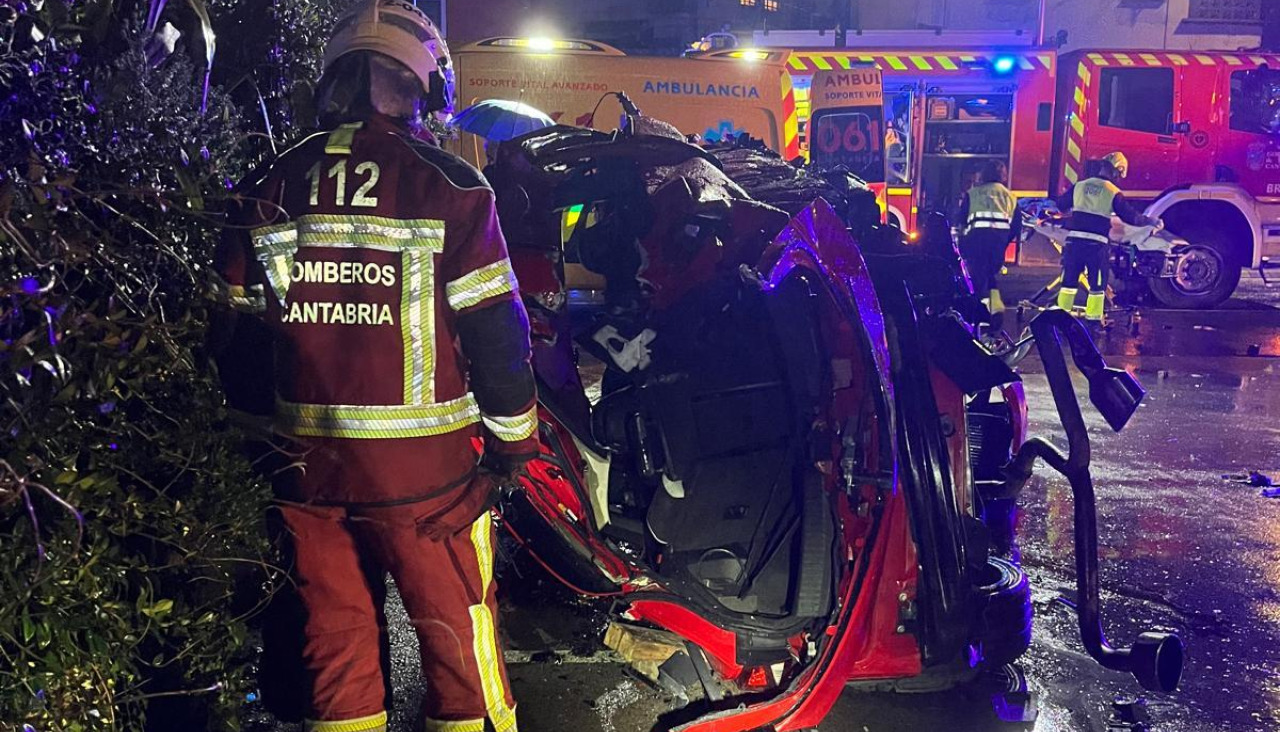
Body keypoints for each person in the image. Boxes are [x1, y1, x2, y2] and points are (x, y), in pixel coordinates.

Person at [210, 2, 537, 730]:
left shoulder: (272, 182)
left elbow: (234, 332)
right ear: (426, 86)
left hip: (307, 468)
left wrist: (260, 436)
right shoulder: (451, 187)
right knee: (457, 636)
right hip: (428, 478)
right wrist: (513, 447)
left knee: (336, 641)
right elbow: (496, 334)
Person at [1054, 151, 1161, 323]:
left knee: (1068, 284)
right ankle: (1094, 321)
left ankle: (1059, 319)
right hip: (1096, 246)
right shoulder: (1113, 192)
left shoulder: (1080, 185)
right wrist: (1150, 221)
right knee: (1097, 286)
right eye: (1119, 174)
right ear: (1116, 171)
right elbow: (1130, 217)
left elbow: (1060, 205)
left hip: (1074, 243)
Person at [958, 160, 1017, 316]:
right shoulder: (1010, 196)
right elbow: (1016, 226)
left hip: (975, 242)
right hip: (997, 244)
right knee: (990, 275)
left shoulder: (973, 193)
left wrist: (962, 242)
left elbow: (961, 219)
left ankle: (980, 312)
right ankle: (994, 310)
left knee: (977, 278)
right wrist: (1004, 241)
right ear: (1003, 176)